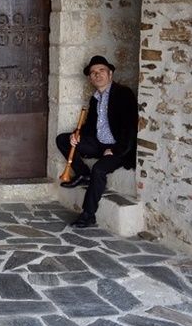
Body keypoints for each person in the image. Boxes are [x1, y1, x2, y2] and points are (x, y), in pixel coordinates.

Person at [56, 55, 138, 228]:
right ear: (90, 78)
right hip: (99, 144)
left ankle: (88, 214)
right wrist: (76, 135)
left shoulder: (123, 94)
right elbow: (90, 127)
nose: (97, 75)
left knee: (99, 170)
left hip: (119, 149)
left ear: (110, 74)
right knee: (63, 140)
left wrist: (116, 150)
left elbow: (130, 128)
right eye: (93, 72)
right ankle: (83, 173)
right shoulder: (96, 98)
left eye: (101, 70)